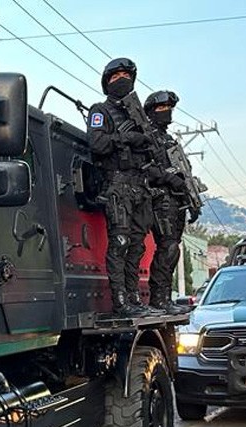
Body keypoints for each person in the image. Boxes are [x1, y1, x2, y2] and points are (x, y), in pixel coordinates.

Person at [88, 57, 162, 317]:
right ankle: (121, 303)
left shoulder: (137, 115)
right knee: (119, 242)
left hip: (139, 187)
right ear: (106, 82)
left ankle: (133, 299)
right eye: (116, 76)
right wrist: (125, 138)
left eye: (126, 76)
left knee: (137, 245)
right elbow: (96, 144)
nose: (122, 80)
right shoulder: (100, 111)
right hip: (117, 185)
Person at [143, 90, 192, 314]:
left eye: (169, 108)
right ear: (151, 112)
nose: (166, 112)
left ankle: (165, 298)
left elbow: (185, 173)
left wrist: (191, 200)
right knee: (168, 248)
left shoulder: (169, 139)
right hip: (160, 198)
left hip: (176, 201)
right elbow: (144, 167)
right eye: (161, 108)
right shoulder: (147, 136)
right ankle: (159, 299)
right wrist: (167, 177)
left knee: (173, 249)